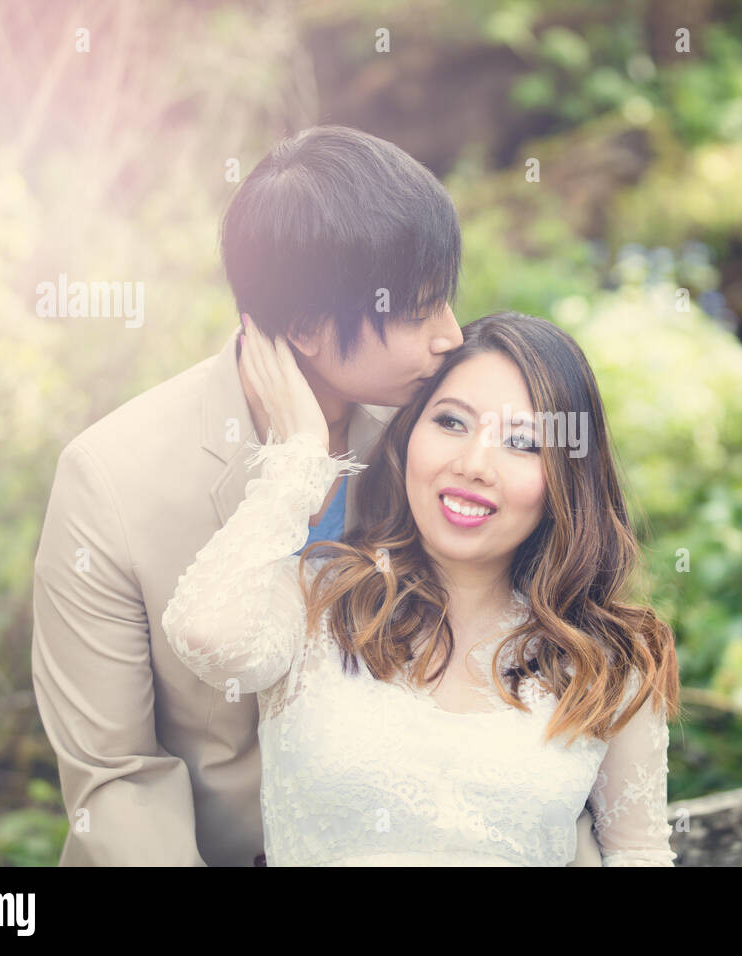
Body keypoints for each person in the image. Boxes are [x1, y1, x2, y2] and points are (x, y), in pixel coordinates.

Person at [32, 125, 605, 865]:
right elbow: (117, 779)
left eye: (447, 301)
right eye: (417, 310)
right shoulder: (110, 478)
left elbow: (536, 662)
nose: (449, 336)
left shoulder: (434, 440)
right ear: (304, 326)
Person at [162, 311, 682, 865]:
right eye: (452, 423)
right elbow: (205, 636)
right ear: (409, 434)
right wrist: (302, 458)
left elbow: (639, 853)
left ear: (565, 477)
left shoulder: (609, 660)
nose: (474, 464)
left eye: (523, 443)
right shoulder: (317, 598)